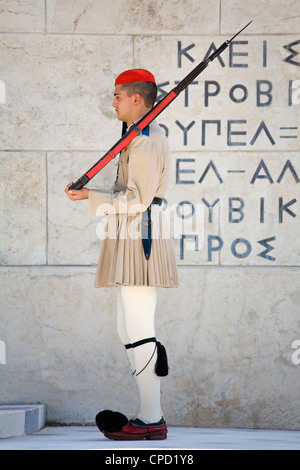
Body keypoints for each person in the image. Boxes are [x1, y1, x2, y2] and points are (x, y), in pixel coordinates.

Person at [65, 68, 178, 440]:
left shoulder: (146, 139)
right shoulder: (136, 135)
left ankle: (151, 418)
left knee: (140, 327)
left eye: (117, 96)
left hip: (140, 232)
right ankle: (148, 415)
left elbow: (137, 200)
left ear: (136, 99)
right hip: (129, 231)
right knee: (126, 327)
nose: (112, 102)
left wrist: (90, 196)